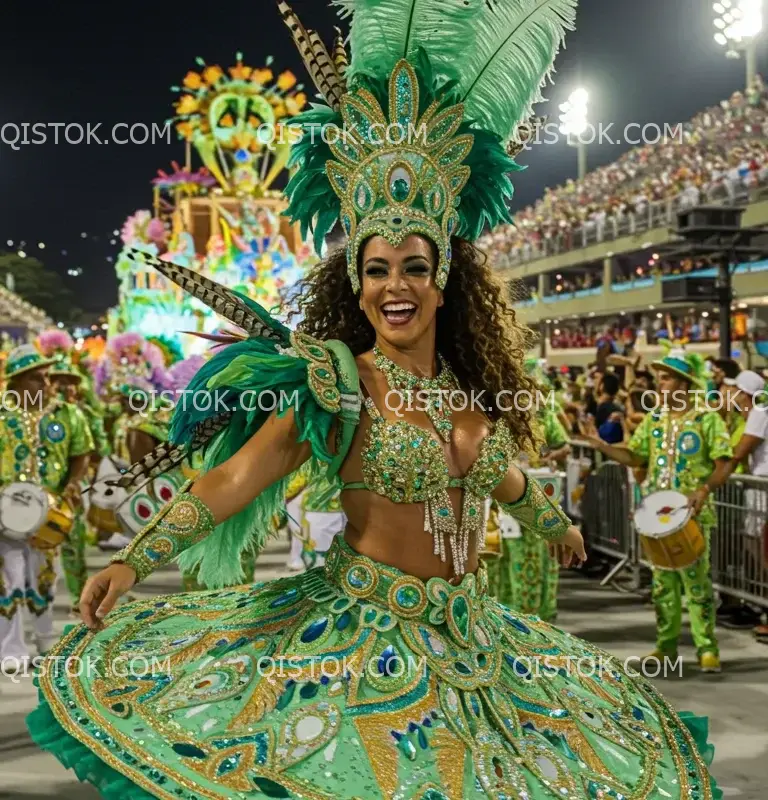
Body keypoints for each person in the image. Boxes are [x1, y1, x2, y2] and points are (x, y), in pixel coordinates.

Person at [29, 2, 721, 797]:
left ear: (443, 279)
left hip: (477, 638)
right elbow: (234, 479)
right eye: (378, 269)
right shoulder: (334, 380)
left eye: (414, 267)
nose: (396, 286)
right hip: (362, 639)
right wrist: (132, 557)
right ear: (355, 285)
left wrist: (555, 523)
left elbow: (500, 476)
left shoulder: (464, 390)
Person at [581, 346, 732, 672]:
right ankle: (666, 647)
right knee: (663, 586)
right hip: (657, 516)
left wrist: (703, 489)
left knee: (697, 583)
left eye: (666, 378)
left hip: (692, 515)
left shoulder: (707, 419)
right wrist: (603, 446)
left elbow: (724, 464)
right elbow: (636, 458)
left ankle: (707, 648)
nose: (659, 384)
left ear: (683, 383)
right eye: (660, 378)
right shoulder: (654, 420)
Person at [0, 345, 94, 662]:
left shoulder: (67, 414)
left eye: (46, 378)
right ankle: (11, 649)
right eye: (37, 379)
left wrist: (72, 483)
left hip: (49, 512)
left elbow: (81, 452)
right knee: (9, 581)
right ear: (16, 383)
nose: (46, 385)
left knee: (44, 580)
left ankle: (44, 641)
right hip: (5, 514)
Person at [717, 370, 768, 639]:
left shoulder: (760, 413)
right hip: (758, 488)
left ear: (744, 393)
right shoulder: (756, 414)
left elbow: (739, 453)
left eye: (733, 389)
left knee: (759, 548)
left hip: (762, 489)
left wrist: (711, 481)